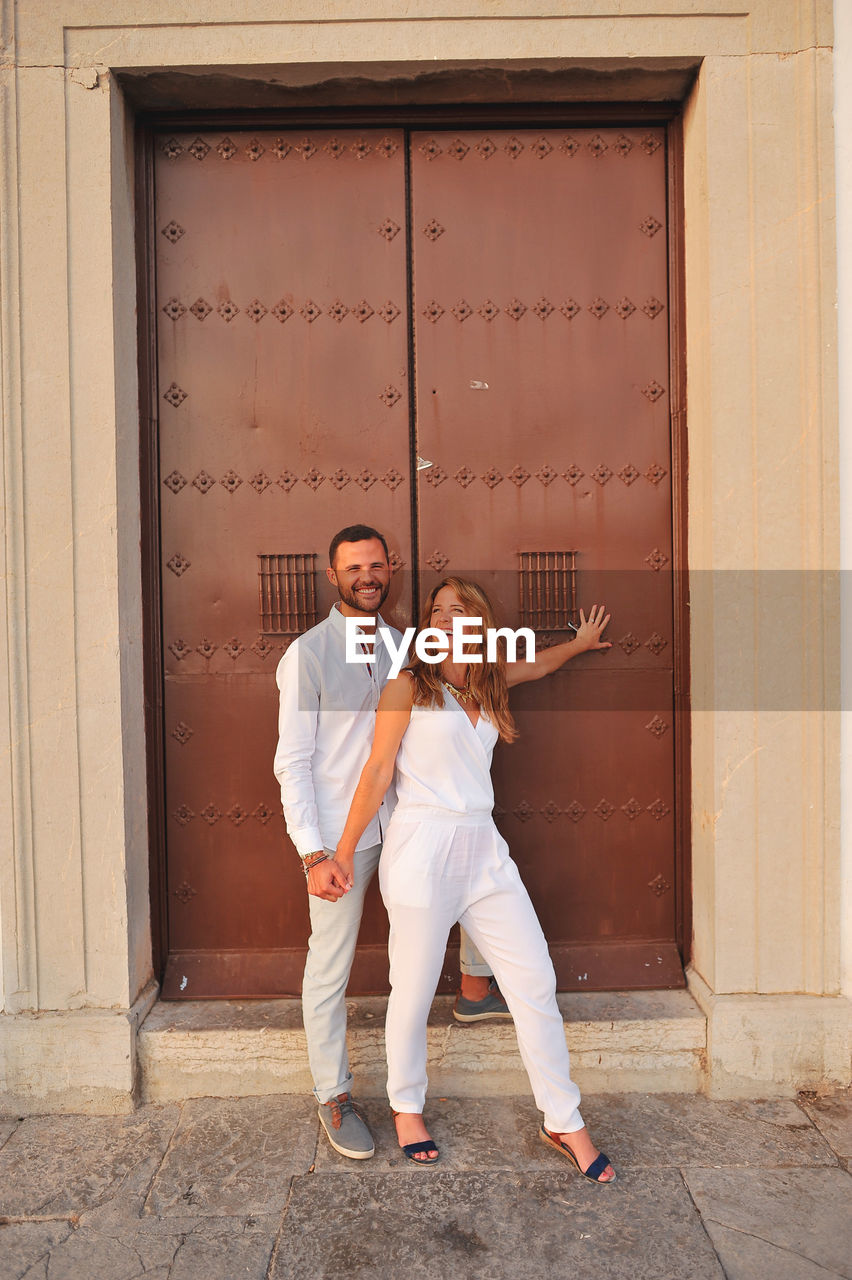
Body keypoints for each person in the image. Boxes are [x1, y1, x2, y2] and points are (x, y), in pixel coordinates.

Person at [334, 577, 616, 1181]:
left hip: (483, 845)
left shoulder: (486, 682)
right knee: (410, 990)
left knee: (534, 977)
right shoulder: (407, 685)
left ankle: (562, 1118)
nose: (441, 617)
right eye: (435, 610)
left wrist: (581, 644)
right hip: (421, 846)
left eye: (455, 608)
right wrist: (341, 852)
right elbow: (379, 769)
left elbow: (538, 667)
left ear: (478, 620)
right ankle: (407, 1108)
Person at [273, 529, 505, 1162]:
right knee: (331, 963)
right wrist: (313, 852)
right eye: (354, 568)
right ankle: (333, 1093)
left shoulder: (412, 645)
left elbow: (485, 676)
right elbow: (291, 762)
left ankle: (477, 987)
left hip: (403, 823)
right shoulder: (308, 655)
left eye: (376, 565)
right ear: (333, 575)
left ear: (390, 570)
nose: (367, 576)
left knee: (468, 888)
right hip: (339, 840)